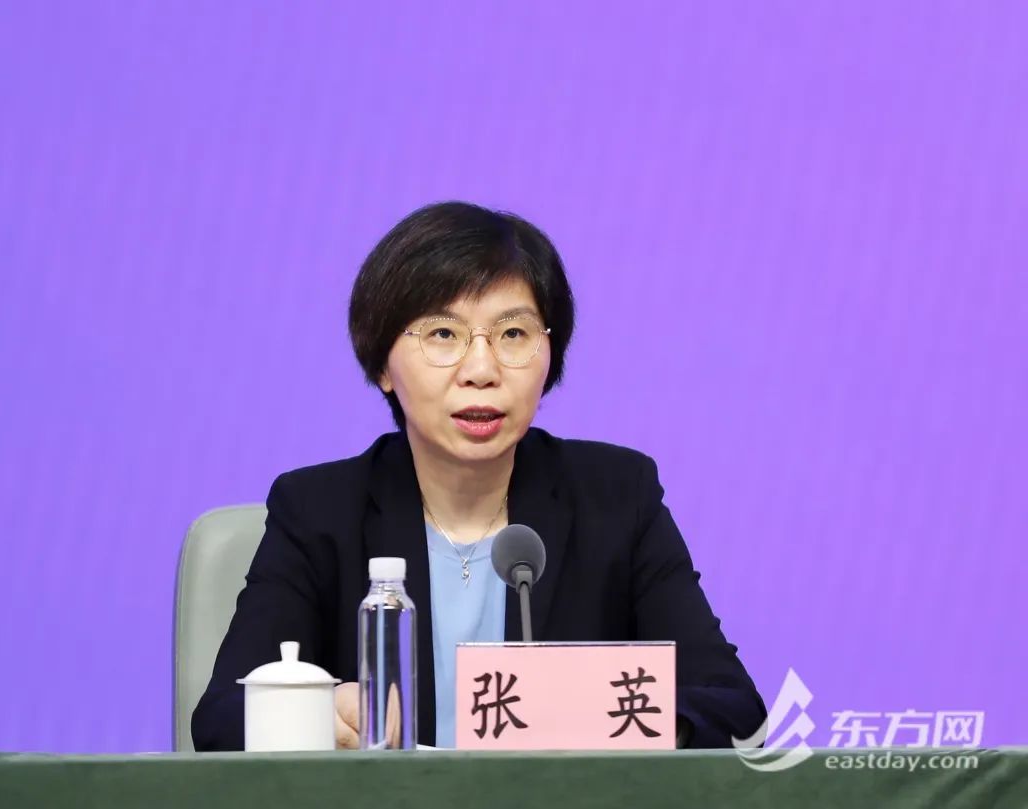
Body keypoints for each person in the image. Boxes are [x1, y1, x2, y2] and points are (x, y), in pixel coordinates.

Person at [192, 201, 766, 750]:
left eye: (513, 334)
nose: (482, 370)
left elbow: (735, 709)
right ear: (384, 364)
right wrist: (317, 716)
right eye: (443, 335)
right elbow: (221, 718)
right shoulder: (318, 510)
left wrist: (624, 726)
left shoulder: (617, 497)